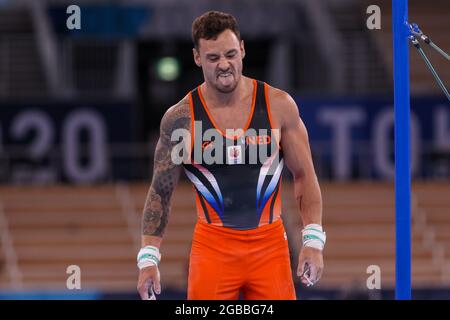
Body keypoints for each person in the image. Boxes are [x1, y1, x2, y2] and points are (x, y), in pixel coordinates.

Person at [136, 10, 325, 300]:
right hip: (213, 248)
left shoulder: (279, 106)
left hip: (270, 246)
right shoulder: (180, 119)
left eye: (230, 54)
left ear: (243, 50)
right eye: (213, 58)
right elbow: (161, 191)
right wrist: (148, 258)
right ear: (197, 58)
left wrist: (313, 239)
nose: (224, 65)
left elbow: (305, 175)